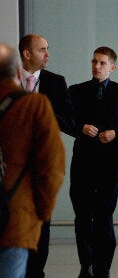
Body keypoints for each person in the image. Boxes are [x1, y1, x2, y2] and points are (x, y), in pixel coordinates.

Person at [68, 46, 118, 278]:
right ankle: (86, 266)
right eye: (94, 62)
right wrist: (80, 128)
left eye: (102, 63)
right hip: (82, 162)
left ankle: (103, 267)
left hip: (109, 165)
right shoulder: (76, 91)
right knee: (82, 217)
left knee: (103, 217)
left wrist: (116, 134)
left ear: (112, 67)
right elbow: (64, 120)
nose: (96, 66)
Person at [0, 43, 65, 278]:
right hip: (15, 219)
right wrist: (41, 213)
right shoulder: (34, 105)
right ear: (18, 72)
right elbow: (52, 165)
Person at [18, 33, 75, 278]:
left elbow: (70, 121)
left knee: (42, 221)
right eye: (42, 50)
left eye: (47, 49)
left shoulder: (56, 82)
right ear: (26, 53)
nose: (48, 55)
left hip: (43, 166)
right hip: (10, 166)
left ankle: (36, 272)